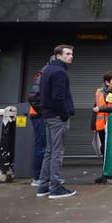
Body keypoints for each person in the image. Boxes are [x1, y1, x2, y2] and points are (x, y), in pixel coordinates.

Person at [36, 45, 76, 199]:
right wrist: (65, 114)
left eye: (71, 54)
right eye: (67, 54)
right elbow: (58, 97)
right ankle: (55, 188)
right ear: (58, 56)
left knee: (49, 151)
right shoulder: (60, 72)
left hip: (48, 116)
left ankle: (43, 186)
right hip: (57, 117)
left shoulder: (47, 70)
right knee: (57, 152)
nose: (71, 56)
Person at [27, 55, 54, 187]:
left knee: (47, 147)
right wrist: (45, 114)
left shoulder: (48, 73)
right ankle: (38, 178)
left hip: (42, 115)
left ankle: (45, 177)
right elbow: (33, 97)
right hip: (39, 116)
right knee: (42, 146)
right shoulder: (44, 75)